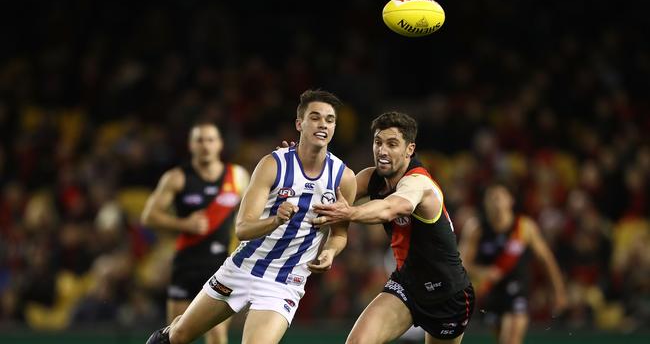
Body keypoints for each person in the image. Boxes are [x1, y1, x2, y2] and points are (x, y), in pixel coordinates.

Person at [145, 89, 357, 344]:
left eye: (330, 119)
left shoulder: (344, 179)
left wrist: (330, 252)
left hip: (284, 282)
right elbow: (243, 229)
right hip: (242, 268)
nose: (323, 124)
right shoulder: (272, 165)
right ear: (299, 124)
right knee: (178, 336)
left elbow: (340, 234)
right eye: (315, 117)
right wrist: (276, 220)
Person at [313, 111, 475, 344]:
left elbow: (390, 208)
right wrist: (299, 163)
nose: (382, 150)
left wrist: (350, 212)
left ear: (409, 149)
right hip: (406, 284)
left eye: (392, 144)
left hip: (448, 294)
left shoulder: (419, 183)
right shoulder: (371, 178)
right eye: (378, 142)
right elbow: (327, 191)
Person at [141, 122, 250, 344]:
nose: (205, 145)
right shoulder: (177, 177)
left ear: (219, 144)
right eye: (199, 140)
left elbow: (252, 212)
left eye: (210, 139)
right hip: (186, 263)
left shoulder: (237, 176)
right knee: (176, 335)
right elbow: (149, 216)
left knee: (218, 334)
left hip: (222, 265)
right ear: (191, 145)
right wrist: (184, 224)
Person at [458, 183, 568, 344]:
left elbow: (546, 260)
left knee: (511, 340)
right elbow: (461, 263)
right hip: (490, 291)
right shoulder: (476, 228)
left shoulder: (524, 227)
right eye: (491, 198)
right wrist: (483, 272)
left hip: (518, 289)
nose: (495, 202)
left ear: (511, 200)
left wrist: (558, 291)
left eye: (499, 197)